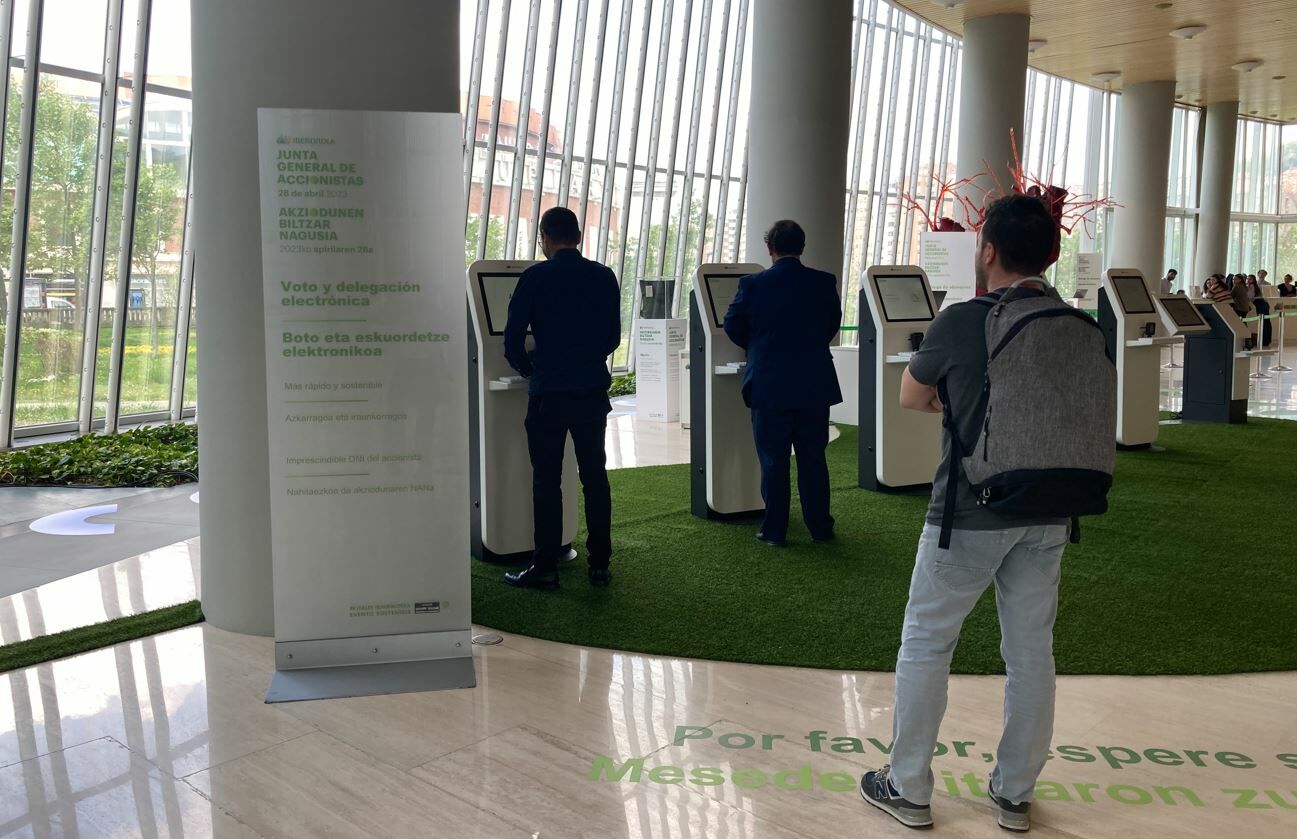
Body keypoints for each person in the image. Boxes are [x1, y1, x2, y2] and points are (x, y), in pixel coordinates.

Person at [859, 195, 1072, 833]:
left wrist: (959, 406)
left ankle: (908, 786)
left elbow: (911, 394)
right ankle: (1014, 794)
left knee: (928, 641)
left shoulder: (963, 319)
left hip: (969, 510)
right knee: (1031, 653)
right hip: (1050, 509)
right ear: (1051, 255)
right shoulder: (1071, 321)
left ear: (988, 250)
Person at [502, 207, 621, 590]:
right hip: (590, 392)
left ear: (545, 238)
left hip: (549, 394)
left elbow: (512, 339)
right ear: (579, 237)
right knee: (595, 477)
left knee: (546, 480)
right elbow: (612, 338)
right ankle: (599, 564)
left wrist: (530, 369)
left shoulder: (535, 277)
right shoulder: (604, 276)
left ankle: (545, 567)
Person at [722, 219, 842, 547]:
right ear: (802, 247)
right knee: (813, 458)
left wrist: (758, 347)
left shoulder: (752, 284)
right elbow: (831, 324)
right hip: (813, 383)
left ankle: (774, 530)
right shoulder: (823, 282)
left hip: (769, 383)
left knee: (773, 460)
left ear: (769, 248)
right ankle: (820, 527)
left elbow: (732, 325)